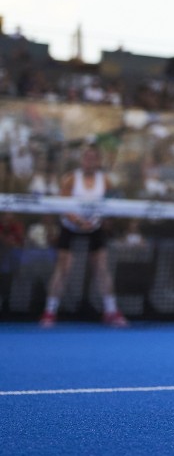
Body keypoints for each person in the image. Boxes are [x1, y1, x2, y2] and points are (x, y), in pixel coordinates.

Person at [39, 138, 129, 328]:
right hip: (71, 227)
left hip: (94, 227)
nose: (89, 161)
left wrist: (99, 222)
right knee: (63, 268)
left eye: (93, 158)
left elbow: (110, 205)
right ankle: (49, 312)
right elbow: (63, 206)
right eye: (86, 158)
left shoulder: (105, 180)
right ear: (82, 160)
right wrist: (79, 221)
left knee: (102, 269)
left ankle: (111, 311)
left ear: (98, 161)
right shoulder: (71, 179)